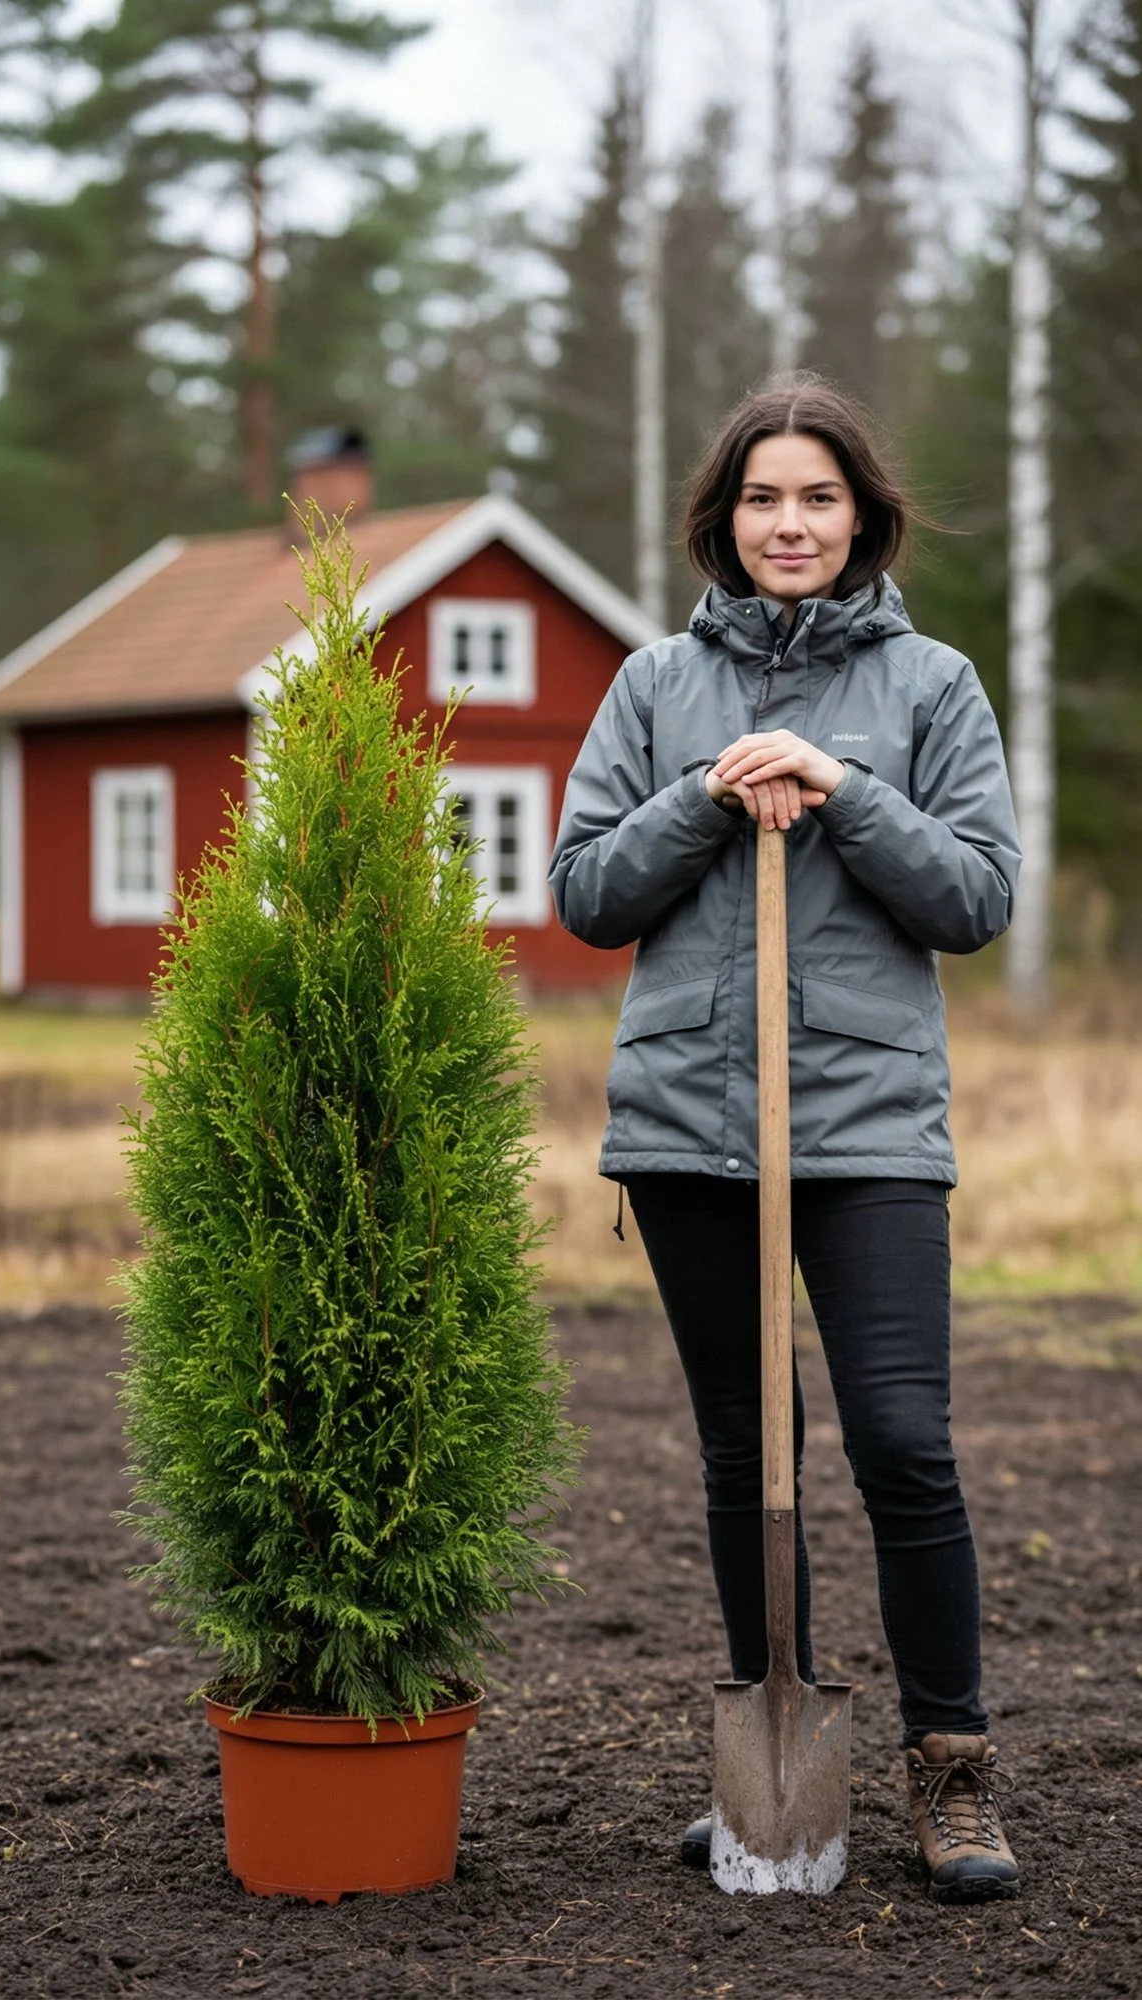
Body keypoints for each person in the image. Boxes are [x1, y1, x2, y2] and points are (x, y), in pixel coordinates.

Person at [547, 375, 1023, 1904]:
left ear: (863, 516)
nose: (790, 522)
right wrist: (705, 795)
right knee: (747, 1454)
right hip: (693, 1124)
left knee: (903, 1444)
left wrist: (839, 787)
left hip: (871, 1123)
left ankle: (951, 1768)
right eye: (763, 498)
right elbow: (586, 892)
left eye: (819, 496)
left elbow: (975, 897)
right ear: (723, 518)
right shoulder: (651, 689)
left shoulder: (934, 687)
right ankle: (776, 1739)